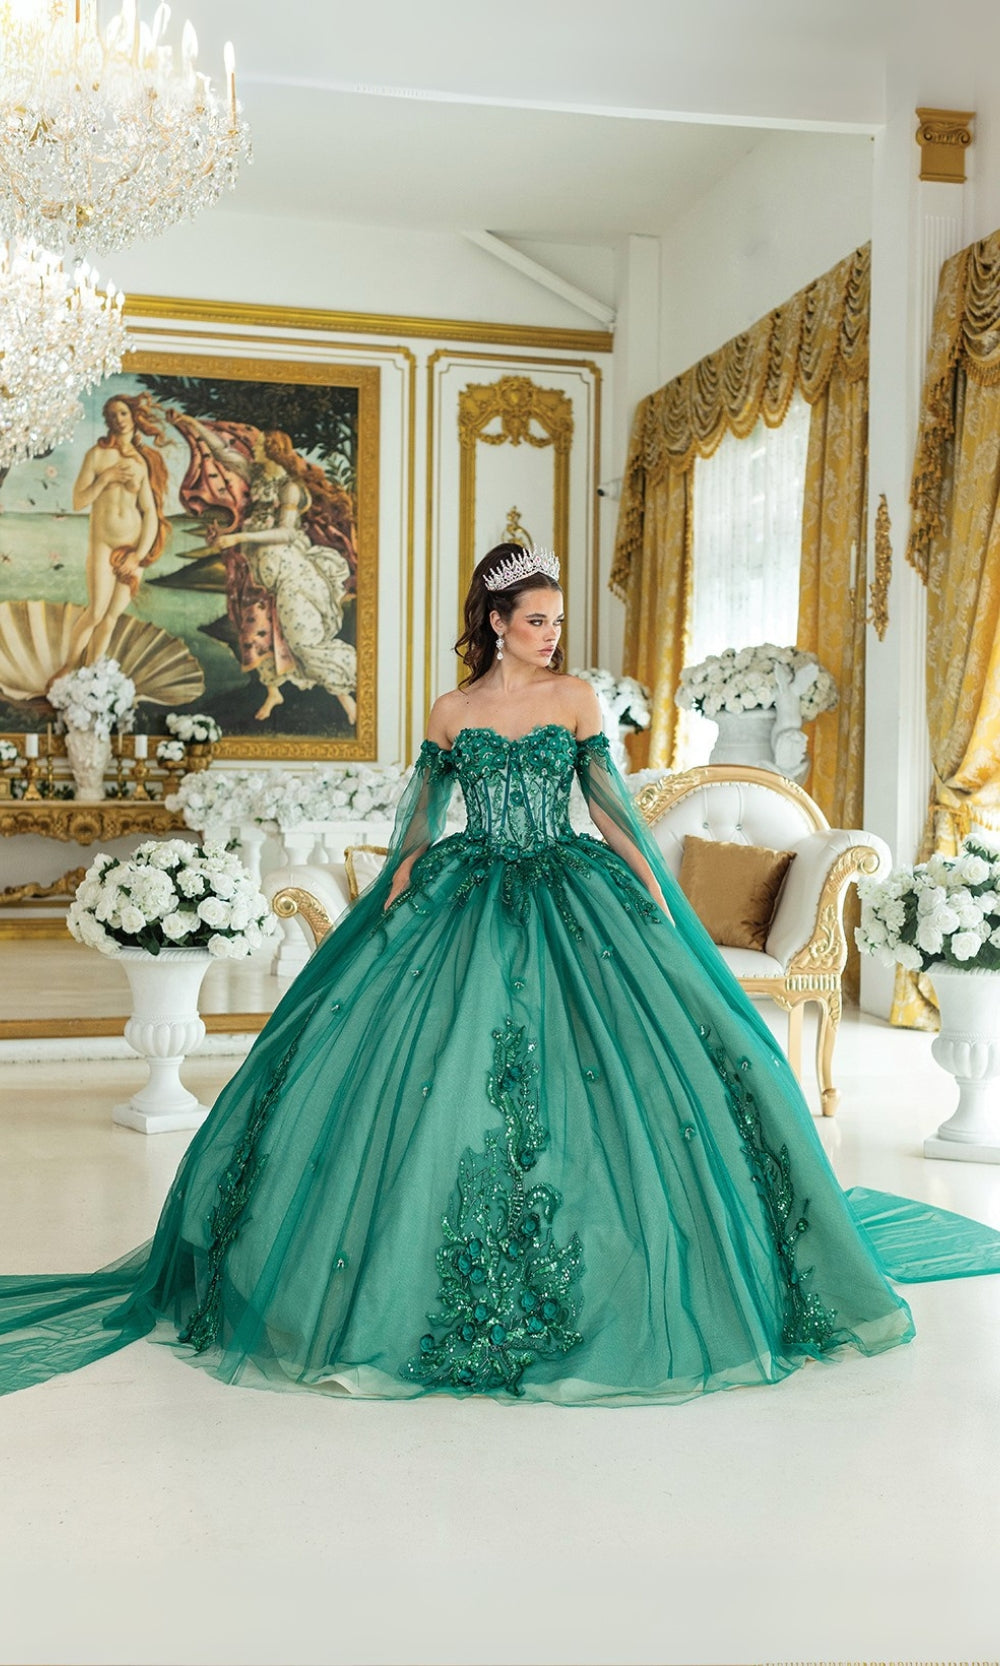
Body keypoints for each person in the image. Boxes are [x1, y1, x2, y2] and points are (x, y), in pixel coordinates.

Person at [2, 543, 999, 1404]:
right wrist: (388, 902)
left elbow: (607, 803)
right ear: (494, 621)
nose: (551, 636)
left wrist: (652, 886)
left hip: (573, 889)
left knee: (607, 1072)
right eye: (535, 621)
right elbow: (421, 822)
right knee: (440, 1078)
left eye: (556, 621)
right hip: (464, 889)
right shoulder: (449, 710)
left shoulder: (573, 699)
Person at [167, 412, 357, 724]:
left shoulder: (289, 488)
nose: (253, 449)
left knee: (302, 640)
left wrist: (239, 536)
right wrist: (191, 424)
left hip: (289, 573)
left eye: (260, 446)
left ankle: (346, 700)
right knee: (255, 629)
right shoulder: (258, 476)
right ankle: (273, 691)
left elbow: (285, 533)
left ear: (272, 449)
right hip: (259, 571)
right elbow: (222, 453)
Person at [63, 394, 171, 668]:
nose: (118, 420)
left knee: (111, 616)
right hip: (103, 545)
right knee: (96, 612)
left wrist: (138, 555)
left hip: (132, 549)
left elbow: (149, 512)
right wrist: (106, 478)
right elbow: (78, 501)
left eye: (123, 413)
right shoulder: (97, 456)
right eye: (112, 415)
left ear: (134, 415)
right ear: (107, 421)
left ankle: (91, 673)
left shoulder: (142, 461)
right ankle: (68, 667)